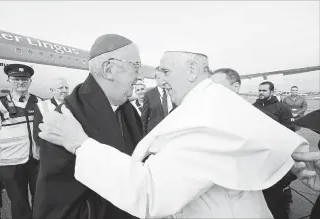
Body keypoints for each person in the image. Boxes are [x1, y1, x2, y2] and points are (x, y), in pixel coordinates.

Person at [38, 51, 308, 218]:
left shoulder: (206, 119)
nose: (160, 81)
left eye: (165, 71)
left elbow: (150, 192)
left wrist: (80, 144)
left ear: (192, 70)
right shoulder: (215, 104)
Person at [33, 34, 143, 219]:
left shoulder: (127, 109)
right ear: (108, 69)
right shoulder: (68, 117)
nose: (139, 75)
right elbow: (57, 204)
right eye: (135, 66)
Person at [0, 64, 42, 219]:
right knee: (19, 204)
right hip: (11, 164)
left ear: (30, 81)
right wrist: (12, 149)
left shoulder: (39, 102)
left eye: (24, 79)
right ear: (9, 80)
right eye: (16, 79)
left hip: (35, 162)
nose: (20, 82)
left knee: (41, 200)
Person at [253, 81, 296, 219]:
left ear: (272, 92)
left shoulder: (282, 108)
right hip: (258, 152)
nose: (261, 93)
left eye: (264, 91)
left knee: (279, 183)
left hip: (277, 153)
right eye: (259, 90)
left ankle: (283, 205)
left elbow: (290, 131)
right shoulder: (252, 107)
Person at [33, 77, 69, 147]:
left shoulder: (73, 105)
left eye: (66, 88)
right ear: (52, 90)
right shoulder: (41, 106)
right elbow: (37, 133)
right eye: (61, 88)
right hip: (51, 150)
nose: (64, 90)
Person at [141, 71, 174, 135]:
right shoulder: (149, 95)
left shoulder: (174, 91)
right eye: (160, 78)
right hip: (155, 133)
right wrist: (145, 136)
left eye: (164, 77)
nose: (163, 80)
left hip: (172, 131)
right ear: (156, 79)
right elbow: (144, 118)